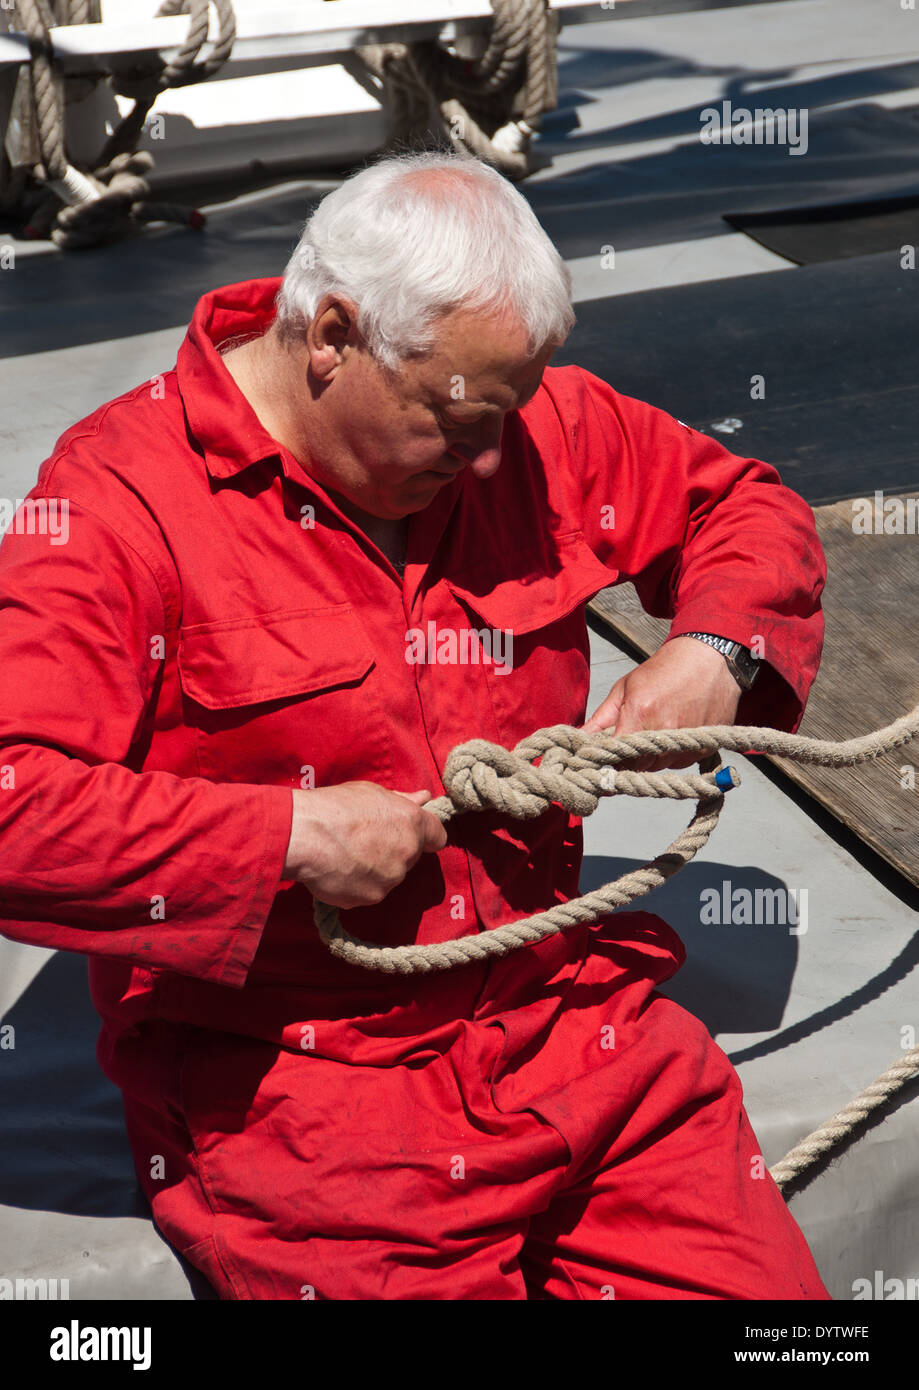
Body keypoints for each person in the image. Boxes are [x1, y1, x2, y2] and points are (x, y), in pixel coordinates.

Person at [0, 149, 829, 1301]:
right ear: (332, 336)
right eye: (459, 418)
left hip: (578, 1029)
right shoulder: (116, 504)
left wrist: (715, 652)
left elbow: (742, 504)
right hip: (310, 1095)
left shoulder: (513, 429)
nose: (493, 457)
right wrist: (287, 838)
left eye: (508, 414)